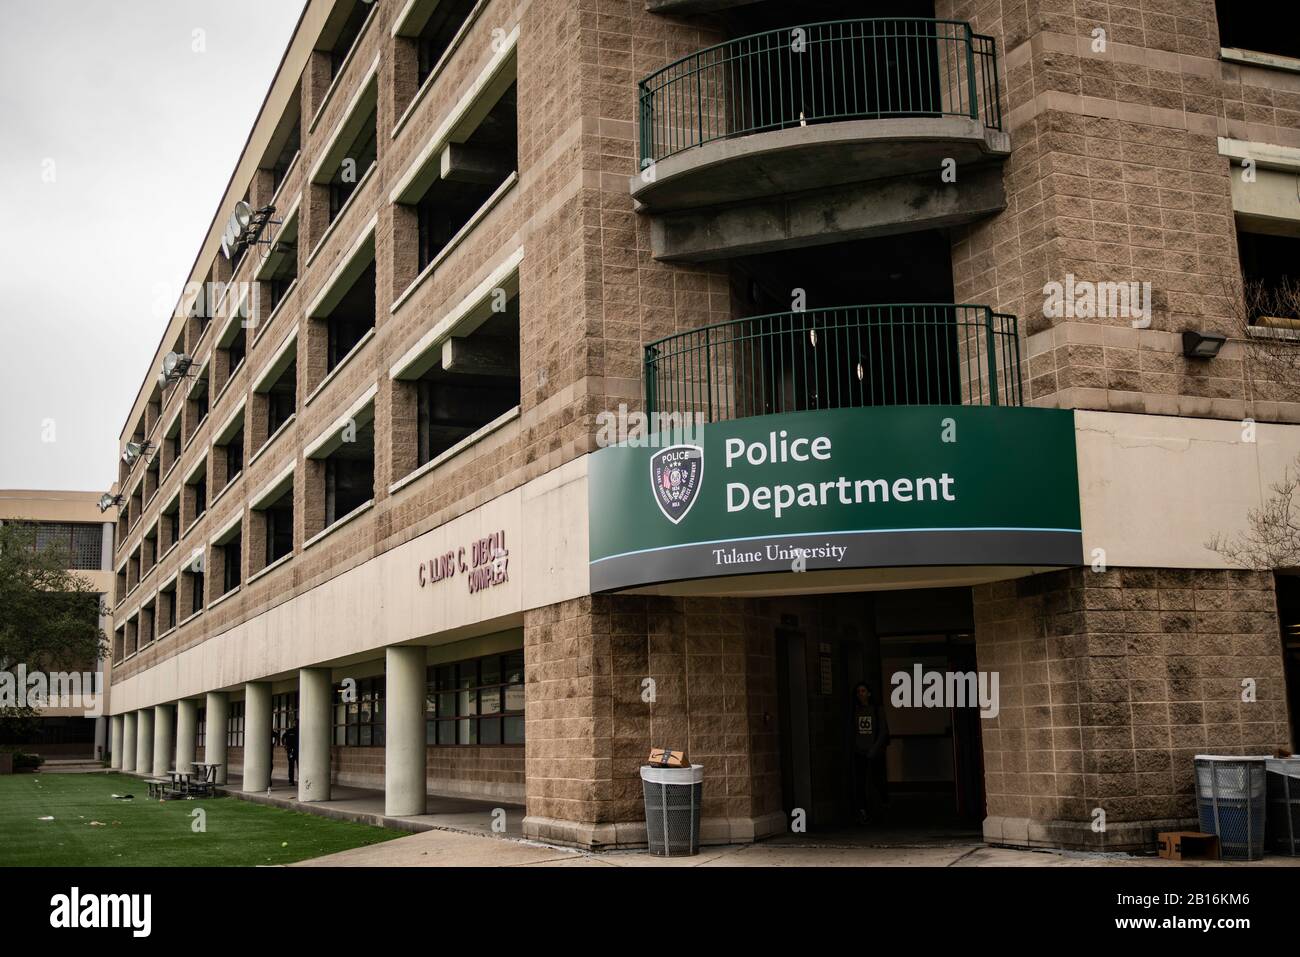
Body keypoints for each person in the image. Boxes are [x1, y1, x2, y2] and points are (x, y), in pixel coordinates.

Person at [850, 682, 889, 823]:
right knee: (860, 782)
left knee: (877, 780)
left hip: (874, 751)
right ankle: (862, 811)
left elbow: (883, 731)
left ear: (869, 693)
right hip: (860, 751)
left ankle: (883, 805)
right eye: (858, 691)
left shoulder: (877, 710)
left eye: (863, 691)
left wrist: (874, 749)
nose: (861, 694)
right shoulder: (854, 710)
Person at [282, 722, 299, 786]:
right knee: (292, 766)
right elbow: (283, 737)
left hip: (297, 751)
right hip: (292, 751)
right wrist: (285, 745)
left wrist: (284, 745)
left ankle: (291, 781)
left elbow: (283, 737)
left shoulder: (299, 730)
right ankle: (291, 781)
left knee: (293, 766)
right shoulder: (290, 731)